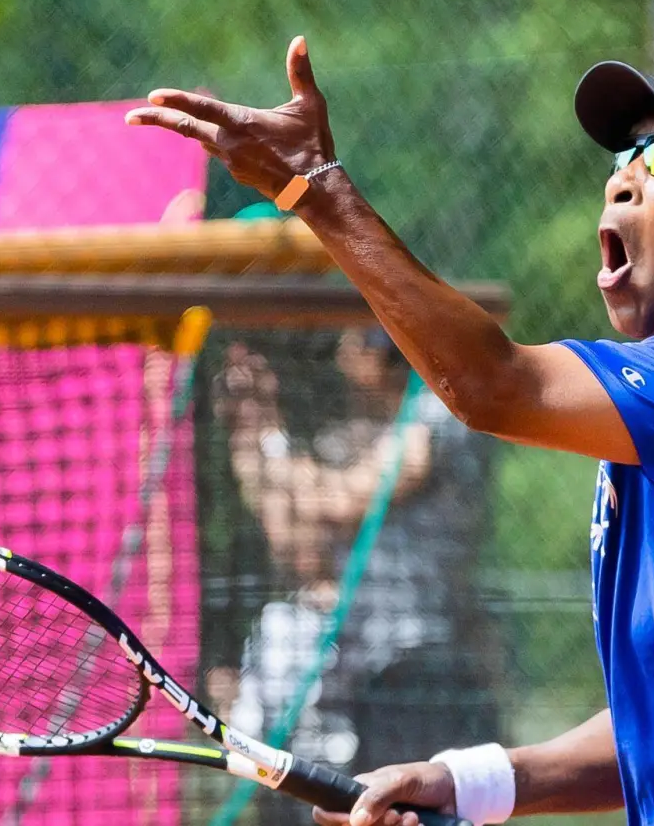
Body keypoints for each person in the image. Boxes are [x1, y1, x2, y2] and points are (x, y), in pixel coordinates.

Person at [128, 37, 654, 825]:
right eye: (622, 160)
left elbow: (491, 383)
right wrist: (470, 780)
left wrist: (313, 184)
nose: (625, 180)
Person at [208, 328, 500, 825]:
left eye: (352, 342)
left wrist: (271, 445)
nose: (342, 353)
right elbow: (294, 536)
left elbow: (340, 500)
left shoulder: (438, 414)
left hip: (424, 664)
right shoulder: (352, 436)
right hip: (361, 671)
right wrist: (253, 428)